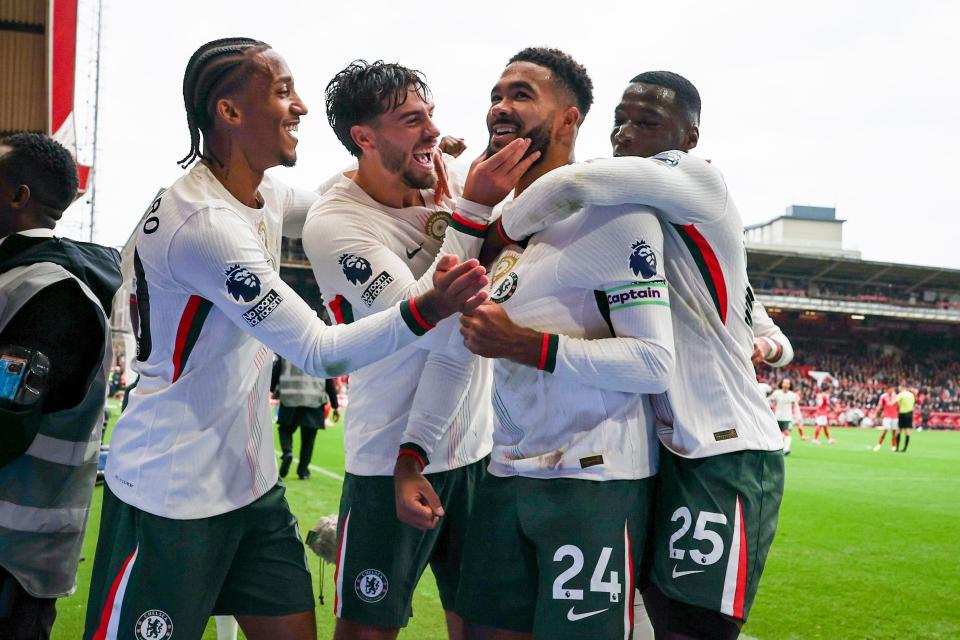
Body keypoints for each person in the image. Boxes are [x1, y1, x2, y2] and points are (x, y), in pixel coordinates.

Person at [82, 38, 488, 640]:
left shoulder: (259, 192)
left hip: (251, 484)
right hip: (172, 486)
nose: (298, 105)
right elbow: (317, 350)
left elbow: (342, 189)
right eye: (281, 90)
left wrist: (418, 151)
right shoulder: (204, 225)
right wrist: (429, 305)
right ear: (229, 111)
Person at [497, 71, 787, 639]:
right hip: (667, 448)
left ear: (691, 136)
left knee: (693, 628)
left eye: (647, 122)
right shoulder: (649, 222)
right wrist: (766, 345)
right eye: (620, 121)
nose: (626, 133)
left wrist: (493, 230)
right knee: (652, 616)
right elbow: (758, 314)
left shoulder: (699, 178)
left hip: (724, 448)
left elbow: (572, 184)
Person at [302, 59, 537, 640]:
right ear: (364, 138)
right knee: (367, 630)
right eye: (411, 121)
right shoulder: (336, 222)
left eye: (429, 115)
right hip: (389, 457)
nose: (432, 132)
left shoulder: (450, 175)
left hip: (476, 449)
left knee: (486, 627)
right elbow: (422, 317)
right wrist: (472, 210)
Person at [451, 47, 675, 640]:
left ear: (570, 121)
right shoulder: (502, 223)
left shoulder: (614, 216)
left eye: (521, 95)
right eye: (496, 95)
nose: (500, 107)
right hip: (506, 471)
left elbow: (654, 363)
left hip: (594, 483)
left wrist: (527, 345)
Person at [0, 133, 121, 640]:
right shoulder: (20, 277)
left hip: (13, 560)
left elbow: (7, 424)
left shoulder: (51, 293)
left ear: (19, 196)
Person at [275, 357, 340, 479]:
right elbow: (329, 382)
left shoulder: (285, 353)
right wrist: (335, 406)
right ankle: (303, 472)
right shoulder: (320, 355)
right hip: (314, 402)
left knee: (285, 430)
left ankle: (287, 451)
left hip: (290, 399)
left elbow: (275, 372)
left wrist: (273, 388)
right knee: (308, 440)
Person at [768, 379, 802, 455]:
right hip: (777, 417)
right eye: (784, 383)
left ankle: (786, 450)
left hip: (787, 418)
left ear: (790, 385)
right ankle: (776, 449)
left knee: (787, 434)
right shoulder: (776, 393)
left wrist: (798, 417)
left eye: (788, 383)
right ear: (781, 384)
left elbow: (796, 407)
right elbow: (768, 400)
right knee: (776, 435)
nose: (786, 384)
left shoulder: (793, 395)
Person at [873, 385, 899, 452]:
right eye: (891, 389)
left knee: (894, 432)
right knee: (885, 431)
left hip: (895, 416)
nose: (892, 390)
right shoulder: (883, 396)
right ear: (887, 389)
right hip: (887, 416)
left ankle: (894, 445)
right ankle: (879, 444)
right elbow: (880, 405)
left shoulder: (896, 396)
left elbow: (898, 406)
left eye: (893, 389)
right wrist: (875, 413)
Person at [895, 383, 915, 452]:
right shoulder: (911, 395)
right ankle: (905, 448)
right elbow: (913, 403)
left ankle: (897, 447)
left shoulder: (901, 394)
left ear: (902, 387)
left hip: (902, 413)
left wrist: (900, 405)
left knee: (899, 430)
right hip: (910, 413)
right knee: (907, 431)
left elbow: (896, 401)